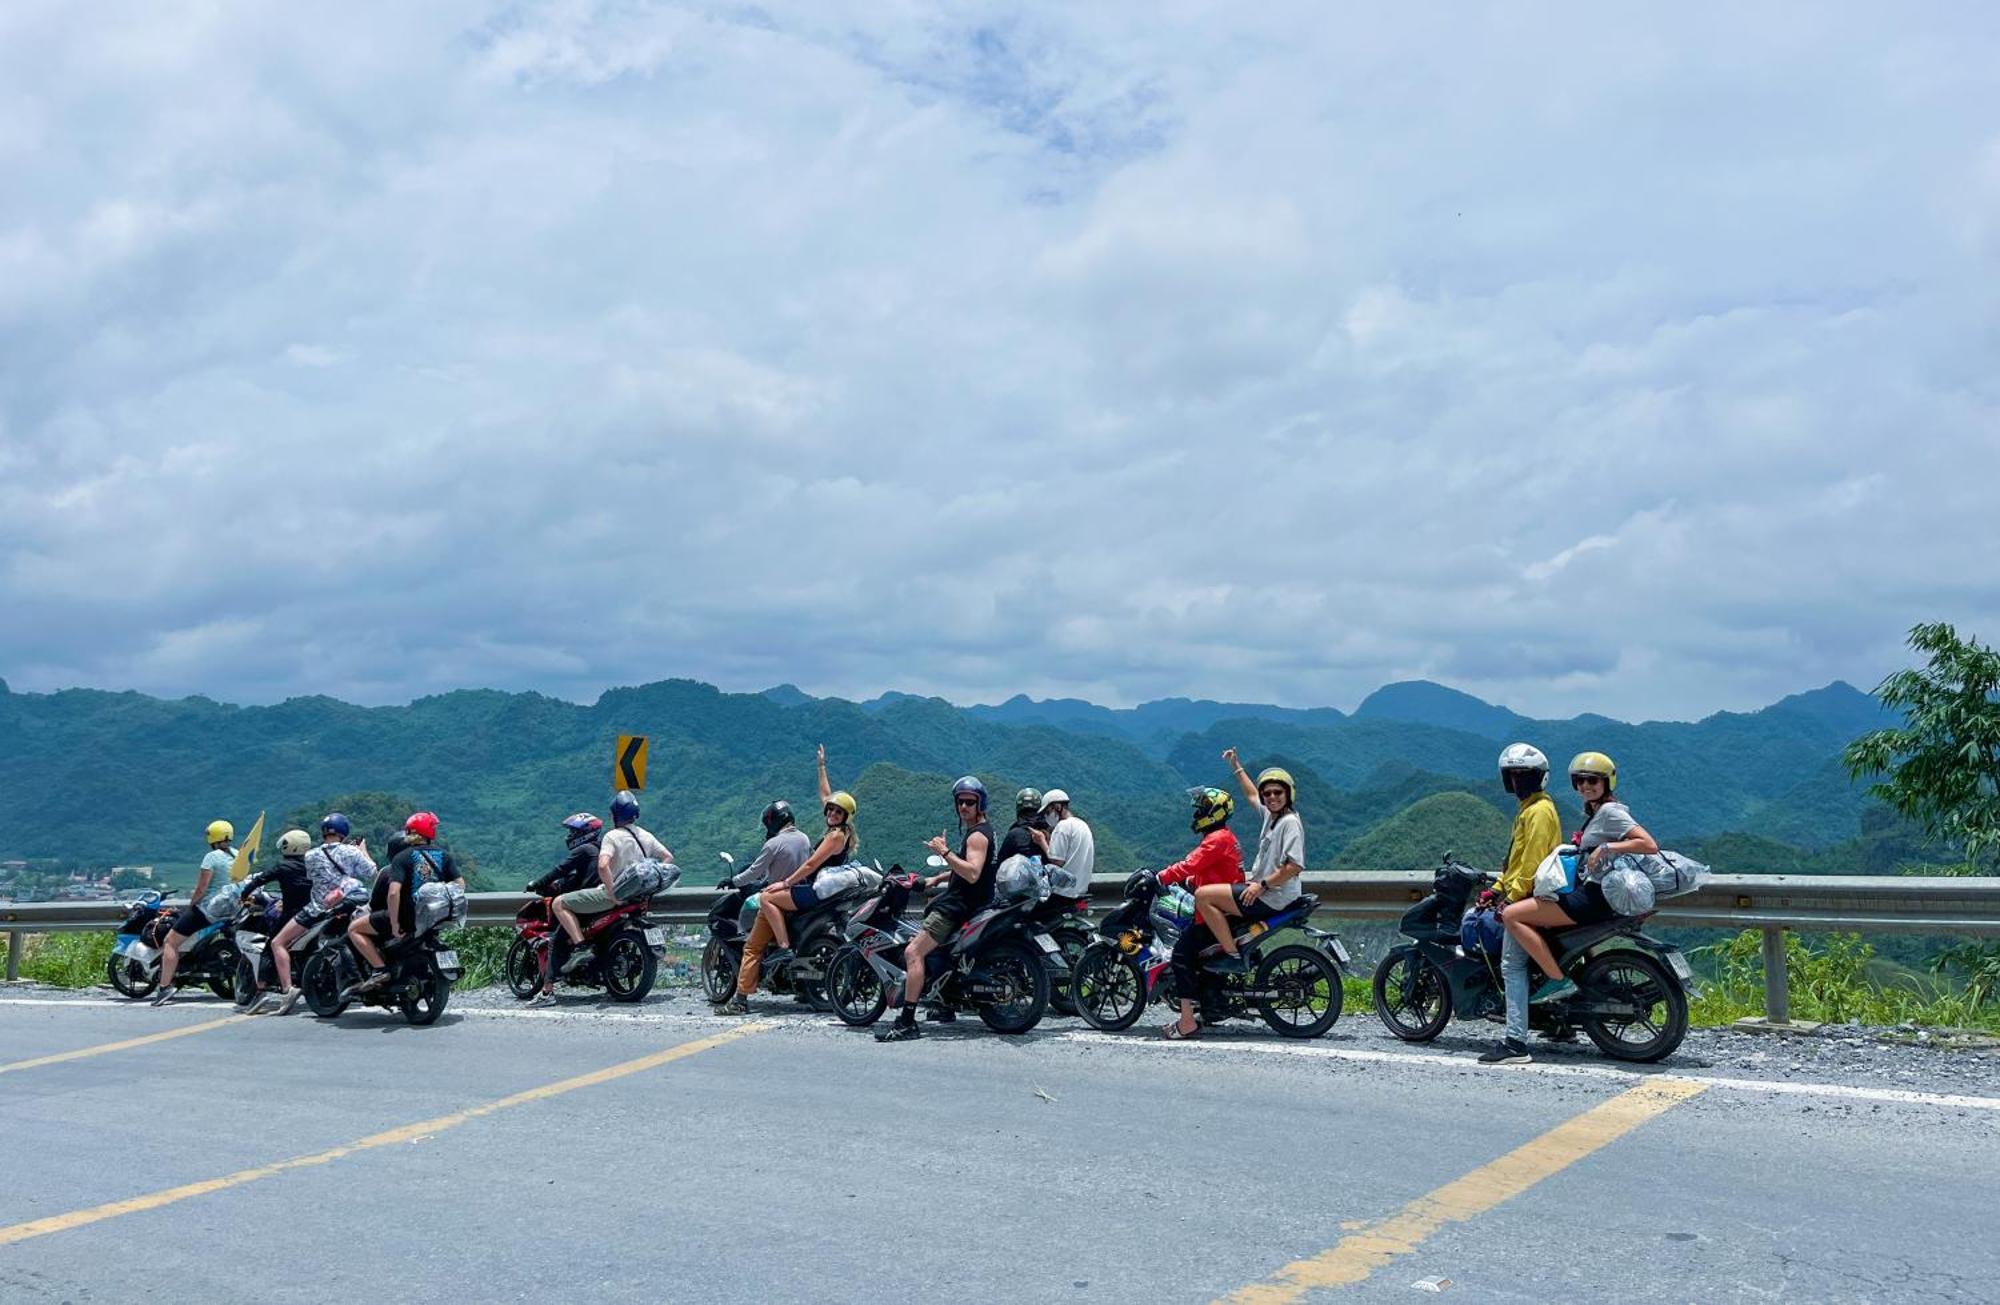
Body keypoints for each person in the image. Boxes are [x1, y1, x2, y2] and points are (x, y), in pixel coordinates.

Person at [1498, 751, 1658, 1019]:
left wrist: (1607, 847)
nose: (1585, 786)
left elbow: (1649, 844)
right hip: (1592, 894)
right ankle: (1563, 1017)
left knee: (1511, 915)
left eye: (1593, 780)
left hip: (1591, 899)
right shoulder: (1597, 812)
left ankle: (1556, 980)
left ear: (1607, 782)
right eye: (1580, 781)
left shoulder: (1610, 812)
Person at [876, 776, 996, 1042]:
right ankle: (943, 1002)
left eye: (969, 802)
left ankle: (907, 1021)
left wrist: (944, 852)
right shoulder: (984, 830)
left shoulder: (977, 836)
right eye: (960, 802)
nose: (963, 807)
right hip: (971, 901)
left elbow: (974, 872)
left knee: (913, 952)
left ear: (980, 804)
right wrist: (938, 879)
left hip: (958, 907)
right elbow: (968, 869)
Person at [1477, 744, 1565, 1066]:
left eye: (1523, 775)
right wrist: (1497, 888)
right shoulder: (1530, 808)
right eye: (1512, 776)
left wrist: (1510, 899)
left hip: (1532, 897)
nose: (1517, 781)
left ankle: (1515, 1042)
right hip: (1527, 892)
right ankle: (1561, 1024)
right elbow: (1515, 865)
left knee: (1511, 966)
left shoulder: (1538, 811)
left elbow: (1531, 864)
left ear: (1538, 777)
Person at [1193, 750, 1306, 975]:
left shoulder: (1289, 822)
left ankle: (1232, 956)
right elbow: (1252, 795)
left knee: (1203, 896)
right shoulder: (1272, 816)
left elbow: (1294, 866)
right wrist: (1236, 766)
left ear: (1288, 794)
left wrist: (1260, 885)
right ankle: (1242, 952)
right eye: (1268, 793)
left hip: (1272, 896)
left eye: (1278, 792)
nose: (1272, 797)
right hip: (1268, 891)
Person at [550, 790, 671, 979]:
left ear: (615, 814)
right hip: (637, 896)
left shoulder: (612, 836)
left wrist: (612, 891)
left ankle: (581, 947)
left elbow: (603, 865)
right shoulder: (646, 835)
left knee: (558, 903)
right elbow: (667, 857)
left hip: (613, 897)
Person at [267, 813, 378, 1016]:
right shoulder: (352, 852)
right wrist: (363, 851)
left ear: (323, 833)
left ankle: (287, 989)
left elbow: (316, 880)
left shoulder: (310, 856)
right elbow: (372, 872)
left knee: (278, 943)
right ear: (343, 832)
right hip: (354, 902)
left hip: (319, 908)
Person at [1158, 786, 1245, 1039]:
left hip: (1214, 912)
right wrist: (1190, 882)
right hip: (1223, 906)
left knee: (1181, 956)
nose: (1198, 813)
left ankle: (1187, 1022)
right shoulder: (1224, 837)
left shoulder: (1216, 839)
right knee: (1200, 958)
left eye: (1203, 809)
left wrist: (1161, 876)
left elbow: (1190, 864)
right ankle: (1209, 1005)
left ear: (1216, 813)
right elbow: (1207, 871)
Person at [715, 799, 817, 1013]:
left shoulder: (773, 844)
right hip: (799, 898)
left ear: (772, 822)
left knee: (752, 948)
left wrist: (732, 881)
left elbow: (755, 872)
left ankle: (740, 1000)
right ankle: (799, 986)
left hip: (777, 900)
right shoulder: (804, 839)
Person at [345, 812, 462, 995]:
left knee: (354, 928)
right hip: (433, 917)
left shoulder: (403, 857)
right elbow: (460, 885)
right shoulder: (444, 856)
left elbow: (393, 893)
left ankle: (379, 970)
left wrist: (394, 923)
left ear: (410, 832)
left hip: (407, 918)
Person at [153, 820, 238, 1006]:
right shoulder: (238, 855)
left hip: (210, 908)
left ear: (211, 836)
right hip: (233, 908)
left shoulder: (211, 857)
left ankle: (165, 986)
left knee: (170, 941)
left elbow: (202, 888)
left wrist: (191, 907)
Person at [526, 813, 603, 1006]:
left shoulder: (584, 849)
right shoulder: (602, 849)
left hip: (589, 902)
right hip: (606, 899)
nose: (569, 835)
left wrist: (538, 883)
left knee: (556, 941)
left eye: (573, 831)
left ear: (584, 833)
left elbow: (560, 869)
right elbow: (576, 878)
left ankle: (547, 992)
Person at [237, 829, 315, 1012]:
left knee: (271, 946)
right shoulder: (313, 864)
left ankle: (267, 991)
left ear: (290, 846)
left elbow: (259, 880)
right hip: (315, 911)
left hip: (292, 914)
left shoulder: (283, 866)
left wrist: (243, 894)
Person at [1034, 789, 1094, 901]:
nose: (1047, 817)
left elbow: (1057, 861)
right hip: (1081, 890)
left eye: (1047, 812)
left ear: (1057, 807)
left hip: (1063, 893)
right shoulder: (1082, 825)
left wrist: (1041, 841)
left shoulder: (1062, 827)